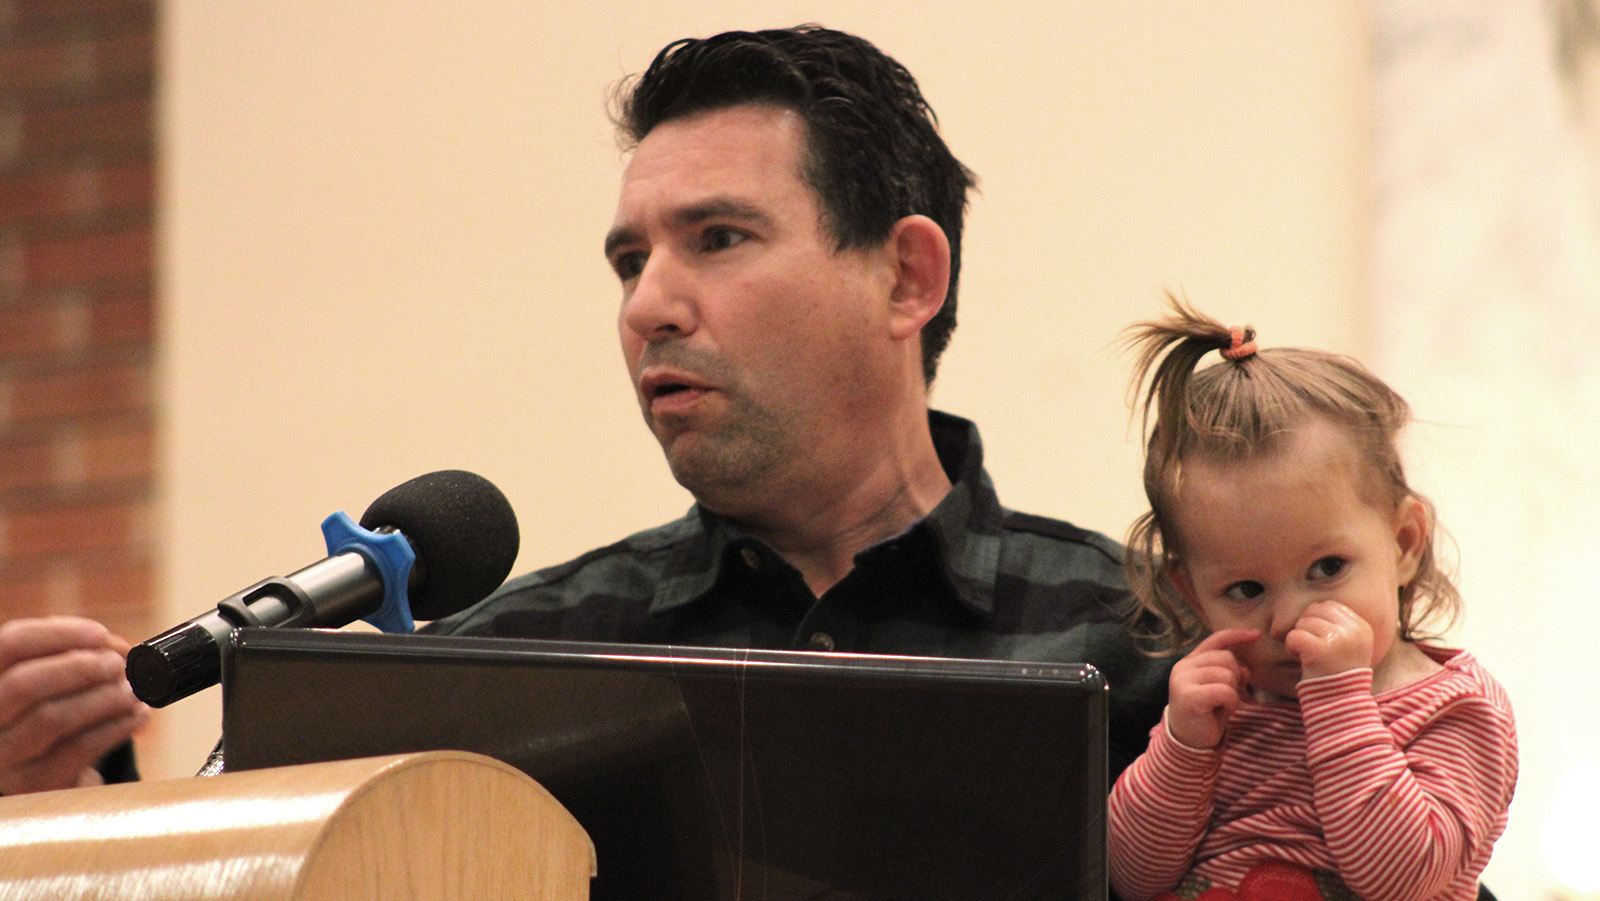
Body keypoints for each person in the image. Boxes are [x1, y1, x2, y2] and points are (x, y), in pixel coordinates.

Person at [0, 26, 1170, 797]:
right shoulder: (505, 667)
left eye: (718, 238)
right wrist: (51, 817)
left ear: (906, 276)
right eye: (627, 261)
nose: (649, 303)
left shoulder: (1153, 644)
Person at [1105, 299, 1517, 901]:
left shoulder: (1454, 707)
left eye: (1327, 568)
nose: (1288, 619)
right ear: (1191, 594)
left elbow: (1403, 880)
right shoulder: (1222, 707)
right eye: (1245, 590)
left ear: (1403, 544)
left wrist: (1338, 701)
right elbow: (1133, 878)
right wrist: (1182, 745)